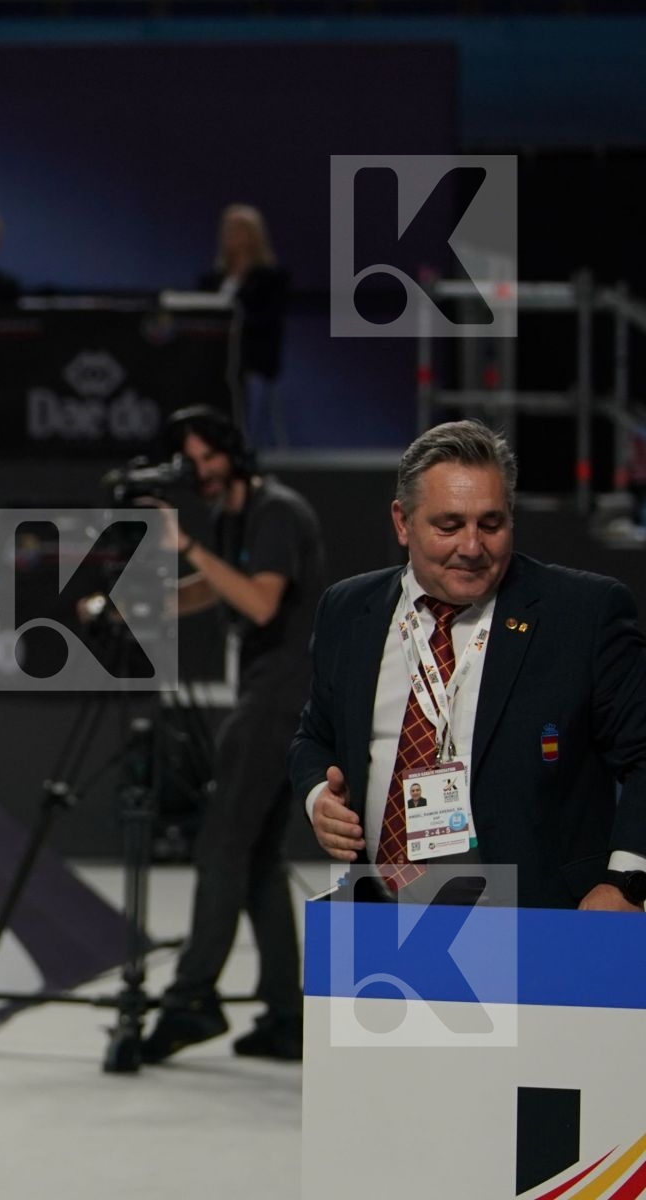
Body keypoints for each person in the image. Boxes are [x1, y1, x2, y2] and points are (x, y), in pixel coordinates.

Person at [292, 420, 646, 912]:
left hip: (540, 922)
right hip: (381, 919)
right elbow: (314, 735)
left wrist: (627, 881)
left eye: (492, 523)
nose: (474, 547)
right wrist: (317, 798)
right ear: (402, 521)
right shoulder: (348, 609)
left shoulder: (583, 613)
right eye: (449, 525)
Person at [139, 406, 323, 1064]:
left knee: (221, 846)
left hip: (283, 697)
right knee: (258, 860)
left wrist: (185, 547)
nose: (202, 473)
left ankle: (192, 999)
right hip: (272, 694)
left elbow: (261, 601)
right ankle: (286, 1015)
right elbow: (218, 590)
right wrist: (145, 602)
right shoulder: (232, 517)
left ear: (231, 452)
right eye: (192, 464)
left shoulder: (278, 511)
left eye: (207, 458)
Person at [199, 204, 289, 448]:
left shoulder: (270, 277)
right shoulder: (212, 279)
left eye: (239, 230)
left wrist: (237, 327)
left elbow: (268, 319)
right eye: (228, 230)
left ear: (254, 235)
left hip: (252, 357)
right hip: (213, 356)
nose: (232, 236)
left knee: (241, 379)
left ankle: (243, 446)